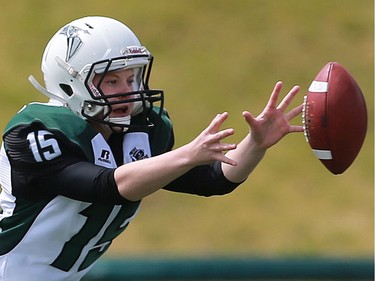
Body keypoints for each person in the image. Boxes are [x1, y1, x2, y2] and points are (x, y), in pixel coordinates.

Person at [0, 16, 303, 280]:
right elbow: (104, 185)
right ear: (69, 84)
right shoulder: (37, 132)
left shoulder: (141, 129)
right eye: (111, 80)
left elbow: (214, 179)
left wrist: (256, 144)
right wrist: (186, 154)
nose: (128, 91)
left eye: (132, 78)